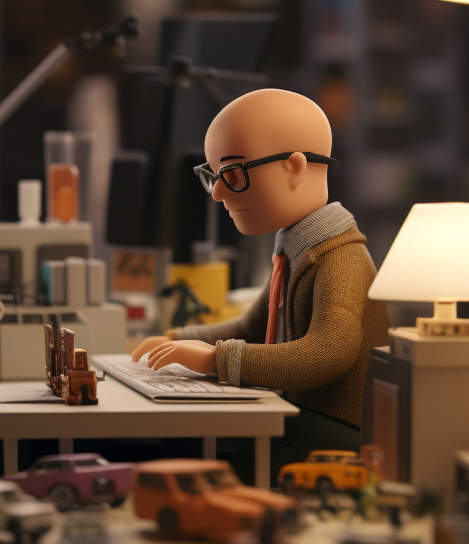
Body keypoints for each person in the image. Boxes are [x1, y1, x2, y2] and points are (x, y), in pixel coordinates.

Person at [131, 88, 389, 479]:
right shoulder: (298, 247)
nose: (218, 193)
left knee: (214, 471)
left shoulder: (341, 260)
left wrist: (214, 359)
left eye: (232, 174)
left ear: (294, 167)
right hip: (289, 415)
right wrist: (180, 338)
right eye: (213, 176)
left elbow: (326, 354)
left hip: (330, 436)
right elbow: (252, 329)